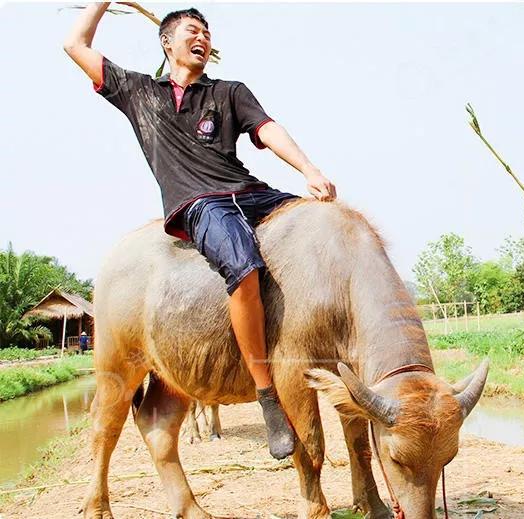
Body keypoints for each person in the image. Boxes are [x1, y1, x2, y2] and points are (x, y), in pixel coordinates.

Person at [64, 4, 337, 459]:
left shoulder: (229, 91)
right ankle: (267, 393)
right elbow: (75, 45)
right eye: (193, 31)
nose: (203, 39)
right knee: (243, 265)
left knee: (325, 227)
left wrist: (310, 170)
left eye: (207, 34)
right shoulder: (139, 92)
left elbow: (268, 128)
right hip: (199, 203)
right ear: (166, 42)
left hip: (250, 191)